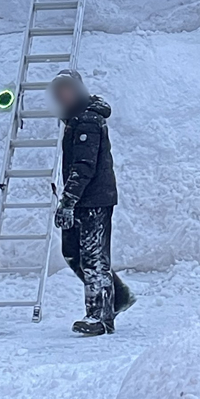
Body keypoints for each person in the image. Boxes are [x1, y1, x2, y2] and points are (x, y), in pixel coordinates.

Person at [49, 69, 135, 336]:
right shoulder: (75, 119)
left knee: (93, 258)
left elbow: (84, 167)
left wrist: (68, 202)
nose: (64, 95)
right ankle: (116, 298)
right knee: (73, 253)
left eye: (67, 89)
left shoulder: (87, 120)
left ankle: (100, 316)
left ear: (78, 90)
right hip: (82, 199)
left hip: (94, 200)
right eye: (59, 91)